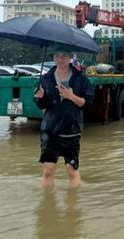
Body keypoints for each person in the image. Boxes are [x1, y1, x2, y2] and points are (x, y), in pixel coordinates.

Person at [34, 44, 94, 189]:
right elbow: (42, 105)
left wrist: (71, 96)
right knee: (48, 170)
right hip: (50, 129)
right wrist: (40, 98)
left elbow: (88, 103)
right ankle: (47, 206)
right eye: (57, 56)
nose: (60, 59)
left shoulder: (81, 79)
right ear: (53, 58)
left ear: (70, 58)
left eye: (64, 56)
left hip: (71, 129)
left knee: (71, 170)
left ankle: (72, 207)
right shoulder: (46, 78)